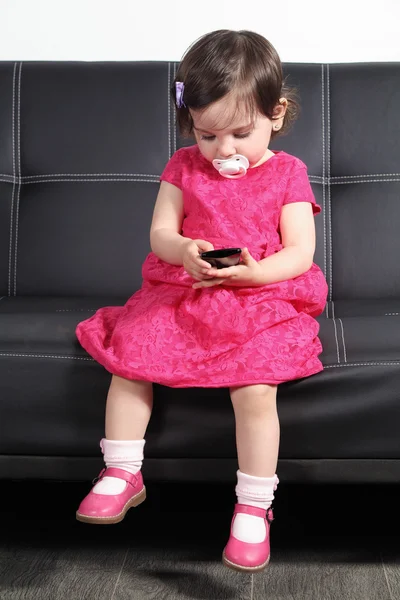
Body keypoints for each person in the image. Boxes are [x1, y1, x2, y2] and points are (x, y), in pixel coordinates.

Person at [75, 29, 328, 573]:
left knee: (256, 385)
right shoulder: (183, 165)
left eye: (240, 133)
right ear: (190, 122)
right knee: (131, 354)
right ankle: (121, 470)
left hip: (260, 293)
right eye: (209, 135)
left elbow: (300, 254)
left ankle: (254, 506)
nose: (225, 151)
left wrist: (254, 273)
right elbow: (161, 233)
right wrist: (185, 249)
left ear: (276, 113)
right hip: (187, 287)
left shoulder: (288, 173)